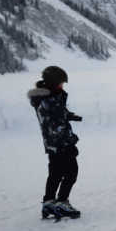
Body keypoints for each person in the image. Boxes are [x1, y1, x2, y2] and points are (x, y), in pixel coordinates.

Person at [28, 66, 83, 218]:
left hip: (53, 143)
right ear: (52, 83)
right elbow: (53, 125)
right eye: (60, 84)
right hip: (60, 143)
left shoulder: (48, 97)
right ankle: (62, 203)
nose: (62, 86)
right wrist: (70, 141)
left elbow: (57, 115)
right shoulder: (48, 100)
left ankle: (49, 203)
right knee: (71, 172)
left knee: (56, 173)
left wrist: (69, 115)